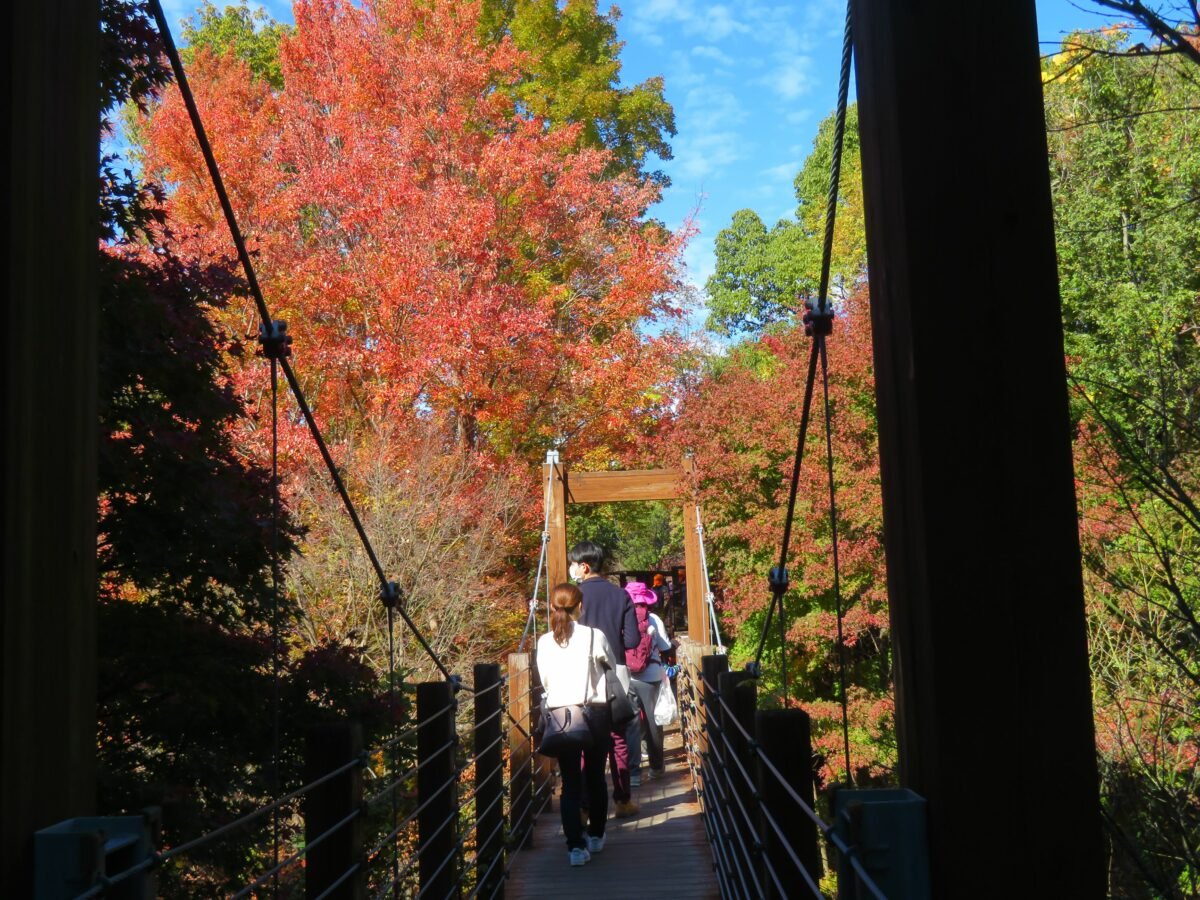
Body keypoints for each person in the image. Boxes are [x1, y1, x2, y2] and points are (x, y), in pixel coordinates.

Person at [536, 583, 614, 867]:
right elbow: (611, 666)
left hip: (561, 715)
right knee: (595, 777)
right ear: (580, 606)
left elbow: (544, 681)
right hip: (594, 712)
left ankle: (576, 848)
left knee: (569, 783)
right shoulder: (594, 636)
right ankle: (596, 835)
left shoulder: (545, 642)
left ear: (553, 608)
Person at [569, 540, 641, 817]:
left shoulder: (572, 596)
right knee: (618, 739)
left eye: (574, 564)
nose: (572, 569)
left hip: (582, 675)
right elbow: (633, 640)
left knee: (585, 740)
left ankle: (586, 806)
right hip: (615, 674)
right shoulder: (621, 596)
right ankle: (623, 800)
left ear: (583, 567)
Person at [623, 581, 672, 786]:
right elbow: (665, 646)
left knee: (631, 725)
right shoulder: (653, 619)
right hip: (651, 676)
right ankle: (656, 768)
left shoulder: (622, 618)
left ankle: (633, 773)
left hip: (627, 677)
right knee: (653, 723)